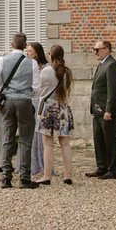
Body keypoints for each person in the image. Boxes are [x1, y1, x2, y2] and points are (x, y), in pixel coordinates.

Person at [0, 32, 38, 189]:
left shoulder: (2, 60)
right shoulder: (33, 63)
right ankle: (24, 178)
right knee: (25, 140)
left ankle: (6, 178)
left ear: (12, 44)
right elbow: (37, 87)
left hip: (8, 101)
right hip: (24, 101)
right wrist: (28, 94)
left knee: (7, 139)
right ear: (25, 45)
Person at [35, 45, 75, 184]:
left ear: (51, 55)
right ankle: (68, 175)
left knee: (48, 144)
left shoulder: (46, 71)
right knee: (65, 143)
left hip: (48, 108)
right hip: (63, 107)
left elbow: (39, 89)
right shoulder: (66, 72)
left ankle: (46, 176)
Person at [87, 39, 116, 179]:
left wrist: (109, 110)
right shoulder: (102, 65)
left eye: (97, 49)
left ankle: (113, 169)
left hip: (107, 110)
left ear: (106, 49)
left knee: (110, 139)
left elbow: (112, 90)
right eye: (94, 49)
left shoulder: (112, 65)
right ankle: (102, 166)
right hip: (97, 109)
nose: (95, 52)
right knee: (98, 138)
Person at [27, 40, 48, 181]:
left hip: (41, 102)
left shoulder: (45, 67)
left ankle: (42, 164)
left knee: (40, 133)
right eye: (27, 50)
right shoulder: (26, 65)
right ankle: (30, 163)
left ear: (37, 52)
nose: (27, 53)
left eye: (30, 51)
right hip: (30, 100)